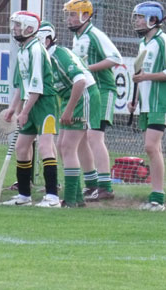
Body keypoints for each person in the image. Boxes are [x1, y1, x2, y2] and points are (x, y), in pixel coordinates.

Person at [63, 0, 123, 201]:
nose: (69, 19)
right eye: (69, 14)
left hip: (103, 90)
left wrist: (86, 69)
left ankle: (105, 187)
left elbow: (116, 58)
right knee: (80, 137)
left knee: (94, 136)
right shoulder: (77, 38)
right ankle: (90, 184)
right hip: (88, 93)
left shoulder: (95, 35)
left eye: (73, 14)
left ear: (86, 15)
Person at [37, 21, 101, 208]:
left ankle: (71, 199)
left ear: (47, 39)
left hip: (84, 95)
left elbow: (80, 81)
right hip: (71, 97)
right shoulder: (45, 57)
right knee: (63, 146)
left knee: (67, 147)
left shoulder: (59, 55)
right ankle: (77, 198)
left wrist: (69, 109)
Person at [2, 11, 60, 207]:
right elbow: (22, 85)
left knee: (44, 146)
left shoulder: (36, 50)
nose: (15, 28)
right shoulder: (22, 50)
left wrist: (24, 112)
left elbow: (36, 87)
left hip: (44, 104)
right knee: (21, 147)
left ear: (29, 28)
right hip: (30, 102)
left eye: (18, 25)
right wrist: (13, 109)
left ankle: (52, 196)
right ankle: (24, 196)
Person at [127, 1, 166, 212]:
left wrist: (146, 76)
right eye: (136, 17)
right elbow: (142, 77)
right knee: (153, 148)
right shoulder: (144, 44)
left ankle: (158, 197)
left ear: (153, 20)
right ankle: (157, 197)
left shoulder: (162, 41)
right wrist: (136, 100)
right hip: (147, 105)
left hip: (161, 102)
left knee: (151, 146)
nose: (137, 21)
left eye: (141, 17)